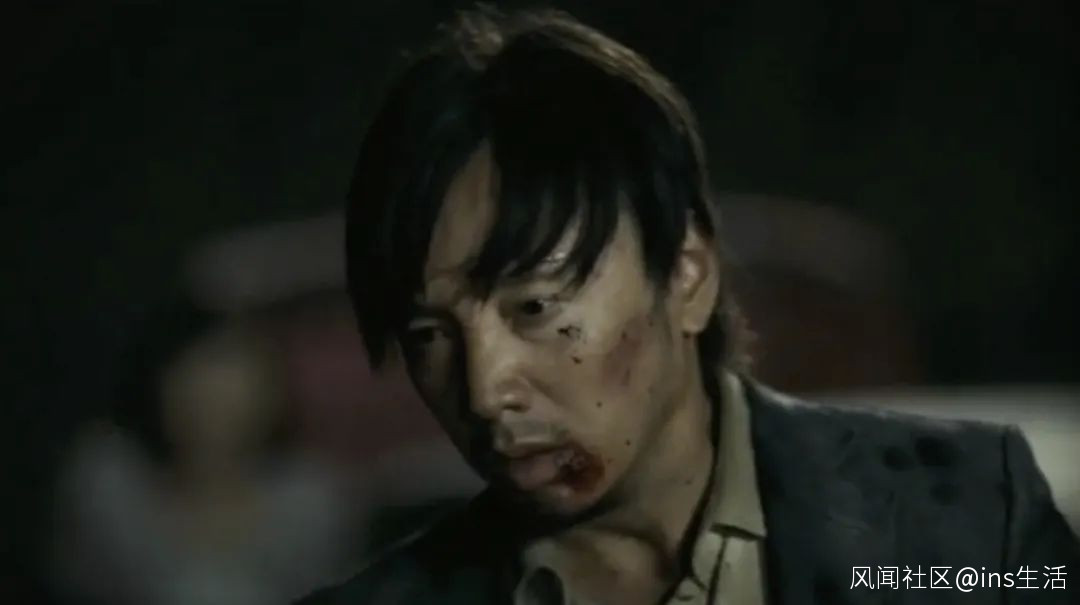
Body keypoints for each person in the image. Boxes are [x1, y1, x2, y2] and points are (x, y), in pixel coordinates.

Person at [300, 7, 1080, 604]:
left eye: (534, 306)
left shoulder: (964, 526)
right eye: (429, 334)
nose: (484, 389)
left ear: (688, 274)